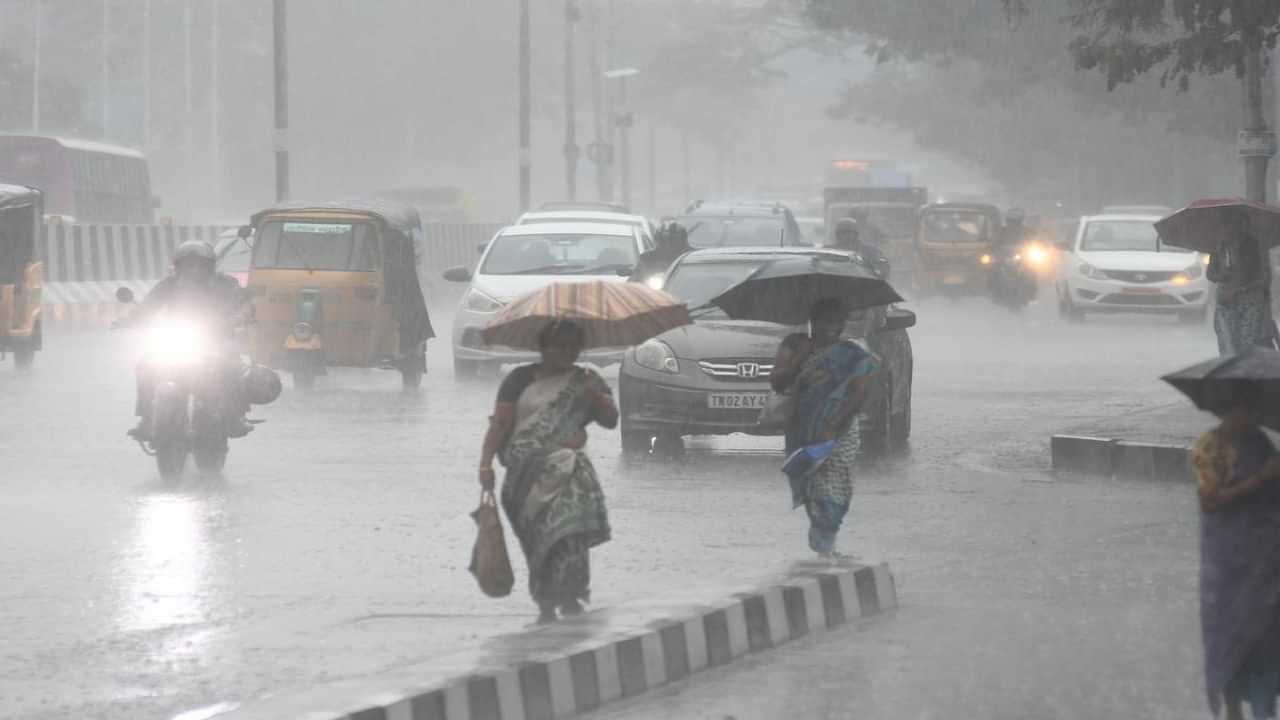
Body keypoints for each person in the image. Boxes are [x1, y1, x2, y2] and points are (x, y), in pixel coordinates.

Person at [477, 319, 618, 623]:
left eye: (573, 347)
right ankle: (545, 599)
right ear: (544, 347)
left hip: (569, 472)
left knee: (568, 535)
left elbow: (610, 420)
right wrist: (485, 462)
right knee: (537, 539)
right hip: (524, 475)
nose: (567, 352)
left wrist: (595, 396)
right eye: (560, 346)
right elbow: (501, 424)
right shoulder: (519, 380)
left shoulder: (586, 380)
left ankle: (570, 596)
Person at [1190, 387, 1280, 719]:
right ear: (1227, 411)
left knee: (1266, 634)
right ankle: (1232, 707)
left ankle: (1264, 707)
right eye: (1245, 410)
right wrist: (1261, 478)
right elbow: (1210, 500)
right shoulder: (1211, 447)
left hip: (1265, 558)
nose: (1252, 417)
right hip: (1227, 560)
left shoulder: (1259, 443)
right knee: (1229, 632)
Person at [769, 299, 879, 559]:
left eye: (837, 321)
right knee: (810, 485)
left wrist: (832, 425)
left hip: (839, 430)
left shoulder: (852, 354)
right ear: (813, 321)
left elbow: (859, 393)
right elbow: (777, 382)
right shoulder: (795, 345)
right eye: (825, 321)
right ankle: (825, 547)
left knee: (834, 485)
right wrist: (798, 359)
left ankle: (825, 541)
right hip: (802, 427)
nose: (832, 327)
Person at [125, 240, 254, 440]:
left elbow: (244, 305)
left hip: (217, 340)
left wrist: (238, 317)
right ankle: (147, 418)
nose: (194, 270)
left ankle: (236, 415)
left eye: (199, 264)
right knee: (146, 364)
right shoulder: (169, 284)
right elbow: (148, 305)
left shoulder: (226, 284)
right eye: (188, 264)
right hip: (177, 339)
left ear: (209, 266)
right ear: (178, 266)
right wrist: (132, 318)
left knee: (232, 364)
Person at [1208, 216, 1277, 355]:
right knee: (1228, 344)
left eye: (1230, 227)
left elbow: (1261, 276)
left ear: (1239, 227)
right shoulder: (1219, 248)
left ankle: (1244, 371)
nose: (1226, 231)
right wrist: (1222, 274)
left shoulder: (1251, 246)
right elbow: (1210, 273)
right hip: (1226, 303)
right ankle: (1232, 372)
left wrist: (1240, 289)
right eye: (1223, 227)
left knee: (1247, 344)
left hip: (1249, 302)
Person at [631, 221, 691, 286]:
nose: (667, 244)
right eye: (663, 240)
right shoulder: (647, 257)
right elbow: (635, 278)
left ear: (682, 240)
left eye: (673, 241)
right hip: (652, 292)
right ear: (657, 240)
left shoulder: (690, 256)